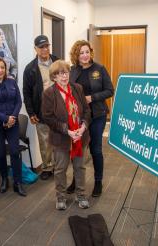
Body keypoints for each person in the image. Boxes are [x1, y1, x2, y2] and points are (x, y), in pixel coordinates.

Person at [41, 60, 91, 210]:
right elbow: (48, 118)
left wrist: (83, 127)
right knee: (60, 169)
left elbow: (87, 111)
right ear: (54, 77)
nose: (64, 76)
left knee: (80, 167)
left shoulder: (77, 88)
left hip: (80, 136)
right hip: (61, 138)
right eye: (60, 74)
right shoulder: (49, 93)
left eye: (66, 72)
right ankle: (61, 197)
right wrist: (67, 130)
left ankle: (81, 195)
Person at [68, 40, 114, 197]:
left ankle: (98, 182)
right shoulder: (72, 71)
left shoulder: (99, 69)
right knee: (77, 150)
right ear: (76, 55)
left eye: (87, 52)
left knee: (95, 149)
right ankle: (76, 180)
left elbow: (110, 90)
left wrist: (92, 98)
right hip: (78, 117)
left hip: (97, 115)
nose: (85, 55)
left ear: (91, 53)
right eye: (81, 53)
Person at [0, 57, 26, 197]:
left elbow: (19, 102)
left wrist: (12, 118)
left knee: (14, 152)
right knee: (0, 153)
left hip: (13, 123)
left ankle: (17, 182)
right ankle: (4, 179)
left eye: (2, 67)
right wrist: (5, 118)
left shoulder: (12, 82)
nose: (0, 70)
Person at [22, 35, 59, 180]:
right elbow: (26, 93)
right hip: (42, 110)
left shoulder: (58, 61)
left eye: (47, 46)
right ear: (35, 49)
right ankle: (47, 167)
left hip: (59, 109)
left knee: (60, 139)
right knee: (45, 142)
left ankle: (59, 166)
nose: (45, 49)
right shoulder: (30, 68)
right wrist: (31, 113)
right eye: (41, 47)